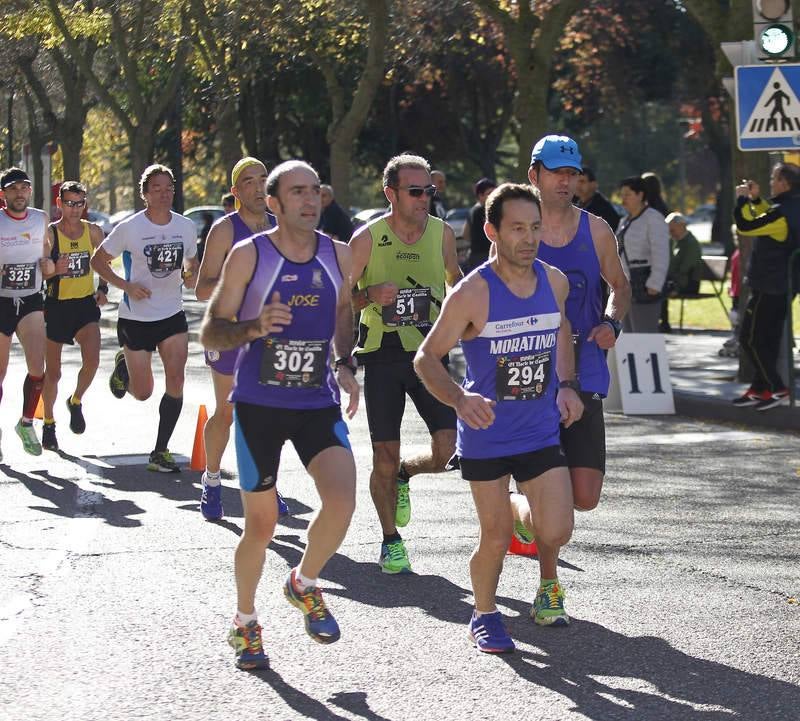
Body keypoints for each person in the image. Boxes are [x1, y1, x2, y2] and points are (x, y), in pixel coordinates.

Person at [200, 159, 359, 670]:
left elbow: (343, 311)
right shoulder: (250, 255)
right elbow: (211, 330)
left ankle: (303, 582)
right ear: (273, 203)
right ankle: (245, 622)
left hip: (316, 402)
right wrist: (254, 327)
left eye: (314, 190)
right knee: (261, 525)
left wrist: (345, 363)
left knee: (342, 501)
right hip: (258, 406)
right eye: (296, 192)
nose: (309, 200)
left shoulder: (339, 253)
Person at [415, 183, 584, 652]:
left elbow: (561, 329)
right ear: (492, 232)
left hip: (539, 429)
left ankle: (516, 506)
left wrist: (567, 385)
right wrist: (458, 399)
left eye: (535, 227)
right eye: (517, 229)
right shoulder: (472, 293)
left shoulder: (554, 281)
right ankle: (484, 614)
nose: (529, 239)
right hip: (487, 433)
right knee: (496, 537)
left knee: (557, 529)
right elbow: (426, 358)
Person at [349, 153, 461, 574]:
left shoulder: (442, 233)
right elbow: (339, 299)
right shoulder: (367, 238)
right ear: (390, 194)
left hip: (430, 354)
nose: (424, 198)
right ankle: (390, 539)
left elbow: (457, 282)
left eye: (428, 190)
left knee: (448, 451)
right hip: (382, 356)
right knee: (383, 454)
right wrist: (368, 295)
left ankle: (405, 474)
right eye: (415, 191)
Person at [522, 135, 629, 521]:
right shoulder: (517, 229)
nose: (565, 181)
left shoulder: (596, 230)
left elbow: (620, 287)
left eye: (572, 173)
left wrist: (612, 322)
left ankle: (523, 511)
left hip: (583, 364)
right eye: (556, 172)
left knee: (585, 497)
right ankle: (531, 518)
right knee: (541, 480)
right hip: (528, 367)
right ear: (534, 175)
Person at [90, 164, 199, 472]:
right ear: (145, 195)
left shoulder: (185, 226)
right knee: (142, 393)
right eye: (156, 189)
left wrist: (190, 275)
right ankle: (123, 366)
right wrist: (125, 286)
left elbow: (192, 263)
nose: (164, 194)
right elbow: (98, 260)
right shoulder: (130, 228)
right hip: (136, 318)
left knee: (176, 379)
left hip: (172, 314)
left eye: (168, 188)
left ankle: (160, 451)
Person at [195, 156, 284, 520]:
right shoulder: (225, 230)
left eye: (263, 178)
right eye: (249, 181)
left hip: (270, 336)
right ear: (235, 191)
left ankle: (267, 485)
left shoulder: (281, 226)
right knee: (228, 412)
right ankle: (212, 479)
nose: (259, 187)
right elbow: (202, 288)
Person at [40, 181, 107, 451]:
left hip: (84, 305)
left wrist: (103, 288)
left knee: (92, 361)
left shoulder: (93, 231)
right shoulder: (50, 233)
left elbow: (104, 261)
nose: (74, 209)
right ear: (59, 204)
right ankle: (48, 423)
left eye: (79, 204)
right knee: (53, 373)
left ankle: (76, 400)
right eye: (69, 203)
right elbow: (42, 270)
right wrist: (55, 269)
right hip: (56, 306)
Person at [731, 164, 800, 410]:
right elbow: (768, 215)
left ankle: (777, 387)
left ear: (785, 183)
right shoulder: (791, 207)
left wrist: (741, 200)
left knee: (749, 338)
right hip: (783, 286)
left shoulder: (782, 214)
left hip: (768, 285)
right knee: (766, 339)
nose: (771, 182)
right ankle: (760, 388)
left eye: (774, 178)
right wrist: (756, 200)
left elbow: (746, 226)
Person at [0, 167, 53, 458]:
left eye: (23, 188)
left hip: (31, 299)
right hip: (1, 301)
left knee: (37, 368)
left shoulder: (40, 218)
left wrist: (48, 265)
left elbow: (46, 249)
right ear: (3, 194)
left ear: (30, 191)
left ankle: (26, 422)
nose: (19, 193)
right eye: (13, 189)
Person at [616, 175, 669, 333]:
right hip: (625, 285)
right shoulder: (624, 221)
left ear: (640, 195)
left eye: (627, 195)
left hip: (645, 283)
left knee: (644, 335)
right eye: (622, 195)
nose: (623, 200)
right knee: (627, 335)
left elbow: (661, 252)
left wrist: (655, 283)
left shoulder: (653, 218)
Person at [664, 213, 703, 295]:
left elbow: (685, 268)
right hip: (675, 281)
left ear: (682, 226)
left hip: (688, 284)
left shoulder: (691, 243)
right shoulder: (673, 241)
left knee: (658, 291)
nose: (670, 233)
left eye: (672, 230)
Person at [463, 178, 496, 271]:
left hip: (475, 255)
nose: (494, 196)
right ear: (480, 196)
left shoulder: (472, 210)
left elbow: (465, 235)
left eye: (495, 192)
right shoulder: (483, 210)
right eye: (489, 193)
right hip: (484, 256)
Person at [575, 166, 620, 232]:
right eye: (576, 181)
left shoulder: (603, 209)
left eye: (582, 181)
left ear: (593, 184)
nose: (577, 185)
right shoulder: (574, 204)